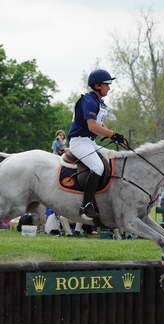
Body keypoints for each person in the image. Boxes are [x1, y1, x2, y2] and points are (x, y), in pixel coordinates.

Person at [67, 69, 125, 219]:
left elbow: (100, 125)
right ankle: (86, 206)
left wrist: (114, 136)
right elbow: (92, 127)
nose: (109, 88)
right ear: (98, 85)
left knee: (114, 158)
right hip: (79, 141)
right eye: (107, 85)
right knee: (97, 167)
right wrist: (112, 134)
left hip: (89, 142)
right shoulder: (89, 100)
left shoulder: (98, 102)